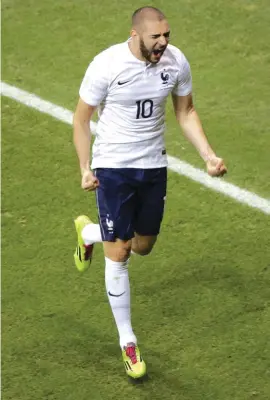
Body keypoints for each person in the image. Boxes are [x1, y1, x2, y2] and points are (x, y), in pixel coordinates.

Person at [73, 6, 227, 380]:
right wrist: (85, 168)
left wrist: (208, 155)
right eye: (155, 37)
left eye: (167, 35)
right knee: (121, 251)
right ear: (135, 34)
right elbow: (81, 117)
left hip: (153, 166)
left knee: (143, 245)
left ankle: (88, 233)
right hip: (112, 166)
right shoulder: (106, 65)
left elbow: (186, 111)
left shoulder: (175, 63)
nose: (163, 42)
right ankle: (128, 341)